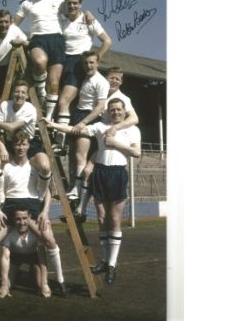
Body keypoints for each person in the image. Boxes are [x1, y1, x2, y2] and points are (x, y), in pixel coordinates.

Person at [44, 98, 141, 284]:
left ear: (124, 111)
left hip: (118, 173)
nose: (116, 113)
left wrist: (114, 143)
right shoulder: (100, 126)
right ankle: (105, 261)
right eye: (112, 110)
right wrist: (52, 125)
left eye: (119, 110)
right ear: (108, 112)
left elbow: (137, 153)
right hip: (100, 173)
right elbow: (75, 129)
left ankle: (112, 265)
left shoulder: (132, 129)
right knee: (102, 219)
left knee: (114, 220)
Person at [0, 130, 68, 297]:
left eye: (24, 144)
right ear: (13, 145)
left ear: (28, 146)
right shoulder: (6, 165)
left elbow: (47, 191)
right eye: (18, 144)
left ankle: (61, 281)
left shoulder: (35, 165)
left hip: (32, 204)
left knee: (50, 240)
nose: (20, 147)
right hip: (9, 204)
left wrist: (45, 211)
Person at [13, 0, 93, 118]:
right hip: (38, 38)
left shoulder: (59, 0)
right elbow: (14, 23)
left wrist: (88, 13)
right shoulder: (27, 3)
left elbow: (75, 10)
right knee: (39, 61)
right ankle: (41, 92)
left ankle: (48, 116)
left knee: (54, 84)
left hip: (57, 40)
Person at [74, 66, 139, 220]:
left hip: (107, 139)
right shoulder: (99, 90)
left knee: (90, 169)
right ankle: (79, 203)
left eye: (117, 78)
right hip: (97, 133)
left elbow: (135, 119)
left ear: (121, 81)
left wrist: (115, 128)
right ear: (105, 78)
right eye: (111, 77)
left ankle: (81, 207)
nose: (114, 81)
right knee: (83, 165)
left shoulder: (123, 99)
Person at [54, 0, 112, 149]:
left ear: (80, 5)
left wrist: (94, 59)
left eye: (75, 3)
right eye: (69, 3)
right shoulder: (61, 20)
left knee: (63, 101)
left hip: (78, 63)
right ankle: (59, 136)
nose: (72, 6)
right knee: (57, 99)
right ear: (65, 4)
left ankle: (60, 140)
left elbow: (107, 41)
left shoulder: (88, 20)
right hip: (62, 60)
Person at [0, 80, 51, 204]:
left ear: (27, 96)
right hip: (11, 143)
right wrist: (2, 147)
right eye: (17, 91)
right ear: (13, 93)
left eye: (23, 92)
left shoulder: (30, 108)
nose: (19, 95)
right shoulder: (5, 105)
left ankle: (41, 196)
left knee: (45, 166)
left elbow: (12, 127)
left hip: (30, 143)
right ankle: (1, 197)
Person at [64, 50, 109, 202]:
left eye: (91, 62)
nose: (88, 65)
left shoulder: (101, 81)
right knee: (74, 156)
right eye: (86, 63)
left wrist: (84, 122)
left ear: (97, 63)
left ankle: (77, 191)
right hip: (78, 114)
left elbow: (100, 107)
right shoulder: (85, 78)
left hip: (88, 118)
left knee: (80, 156)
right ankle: (74, 188)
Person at [0, 206, 49, 299]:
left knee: (40, 286)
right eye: (18, 219)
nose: (22, 223)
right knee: (8, 286)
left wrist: (45, 283)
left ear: (29, 217)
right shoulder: (8, 233)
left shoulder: (36, 232)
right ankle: (17, 274)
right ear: (13, 219)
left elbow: (42, 257)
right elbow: (5, 257)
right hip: (15, 257)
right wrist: (4, 284)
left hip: (33, 256)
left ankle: (33, 272)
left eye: (25, 218)